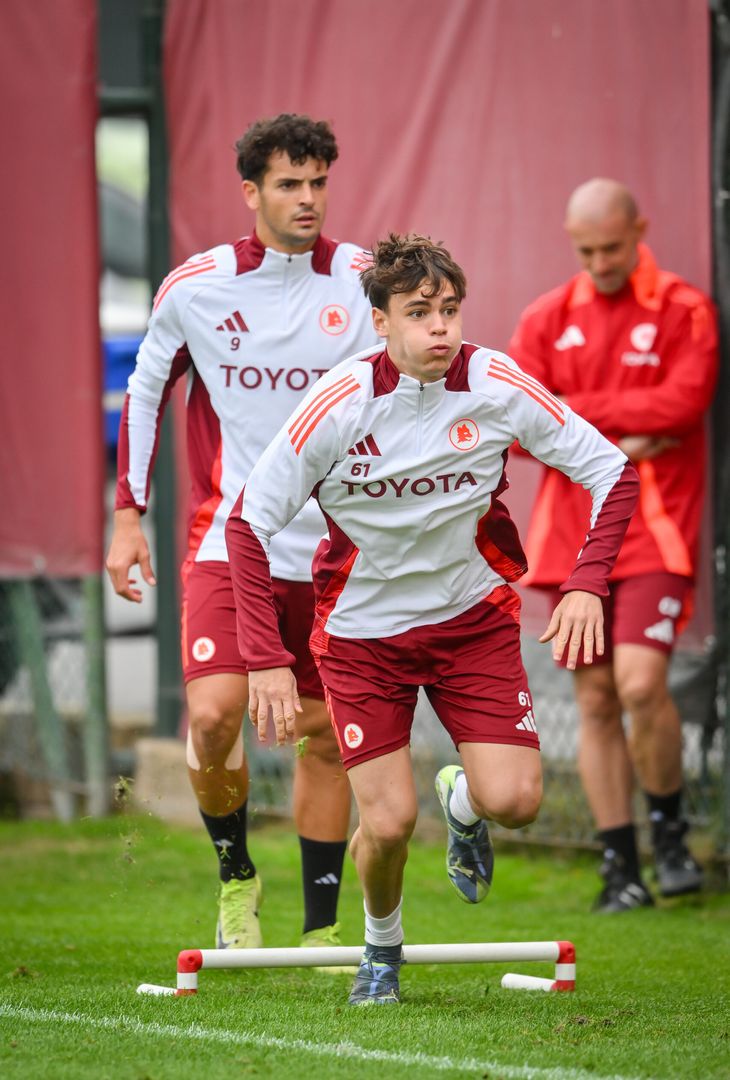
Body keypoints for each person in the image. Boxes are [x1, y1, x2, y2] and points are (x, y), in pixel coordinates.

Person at [225, 233, 639, 1004]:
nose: (440, 326)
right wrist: (266, 657)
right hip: (362, 640)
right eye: (419, 312)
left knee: (516, 803)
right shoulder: (341, 403)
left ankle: (464, 802)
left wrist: (588, 582)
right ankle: (382, 950)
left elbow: (612, 471)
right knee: (387, 825)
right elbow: (247, 523)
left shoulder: (495, 383)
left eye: (449, 309)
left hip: (470, 622)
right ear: (380, 321)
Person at [106, 114, 378, 958]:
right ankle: (235, 878)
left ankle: (322, 928)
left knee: (326, 732)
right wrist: (127, 514)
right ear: (251, 192)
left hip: (336, 551)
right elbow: (145, 393)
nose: (307, 198)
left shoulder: (364, 281)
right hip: (230, 539)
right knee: (215, 712)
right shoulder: (197, 286)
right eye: (289, 184)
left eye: (318, 182)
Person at [509, 178, 718, 913]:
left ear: (639, 230)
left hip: (655, 530)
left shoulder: (685, 309)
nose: (599, 262)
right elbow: (519, 421)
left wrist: (573, 417)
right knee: (596, 696)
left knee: (637, 682)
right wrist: (618, 433)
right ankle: (619, 867)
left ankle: (670, 838)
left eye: (611, 247)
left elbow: (683, 403)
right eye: (586, 250)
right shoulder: (546, 316)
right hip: (573, 539)